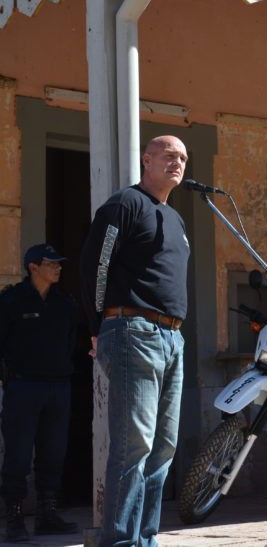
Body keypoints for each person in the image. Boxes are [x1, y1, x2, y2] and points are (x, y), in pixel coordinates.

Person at [81, 136, 190, 547]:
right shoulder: (124, 204)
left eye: (182, 157)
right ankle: (120, 541)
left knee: (163, 447)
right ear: (147, 160)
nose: (176, 162)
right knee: (134, 445)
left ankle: (145, 538)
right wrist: (98, 325)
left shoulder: (176, 220)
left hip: (172, 337)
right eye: (168, 156)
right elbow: (95, 266)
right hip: (132, 332)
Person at [0, 244, 79, 542]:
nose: (58, 267)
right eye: (52, 263)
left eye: (60, 263)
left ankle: (47, 514)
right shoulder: (11, 301)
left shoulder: (65, 302)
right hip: (23, 387)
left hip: (58, 386)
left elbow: (71, 340)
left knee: (53, 454)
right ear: (33, 267)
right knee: (18, 456)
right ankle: (15, 518)